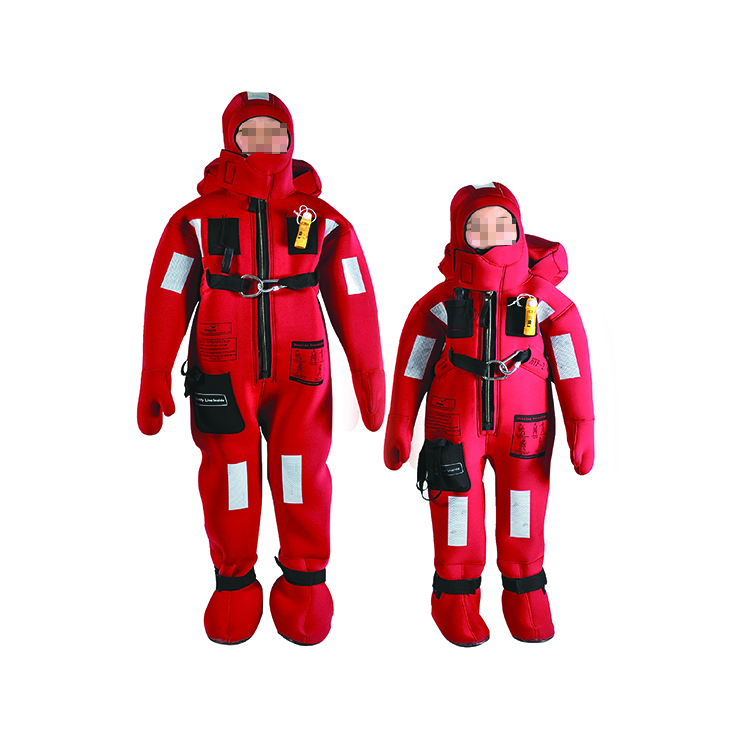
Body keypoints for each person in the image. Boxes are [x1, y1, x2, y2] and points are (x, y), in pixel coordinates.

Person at [138, 92, 385, 645]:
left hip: (303, 376)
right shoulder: (195, 220)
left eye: (276, 131)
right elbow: (168, 292)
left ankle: (305, 581)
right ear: (230, 140)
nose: (265, 142)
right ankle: (234, 583)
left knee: (301, 473)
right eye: (250, 132)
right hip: (221, 368)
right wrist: (154, 372)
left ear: (292, 140)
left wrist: (370, 375)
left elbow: (355, 296)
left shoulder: (324, 221)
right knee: (230, 476)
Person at [384, 182, 594, 646]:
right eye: (477, 228)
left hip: (525, 429)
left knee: (524, 510)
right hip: (452, 424)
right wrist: (399, 425)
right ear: (458, 235)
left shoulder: (546, 302)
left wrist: (583, 428)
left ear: (519, 230)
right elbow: (414, 364)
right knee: (456, 513)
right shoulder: (441, 302)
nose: (492, 236)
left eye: (503, 225)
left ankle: (525, 593)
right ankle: (454, 599)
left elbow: (572, 364)